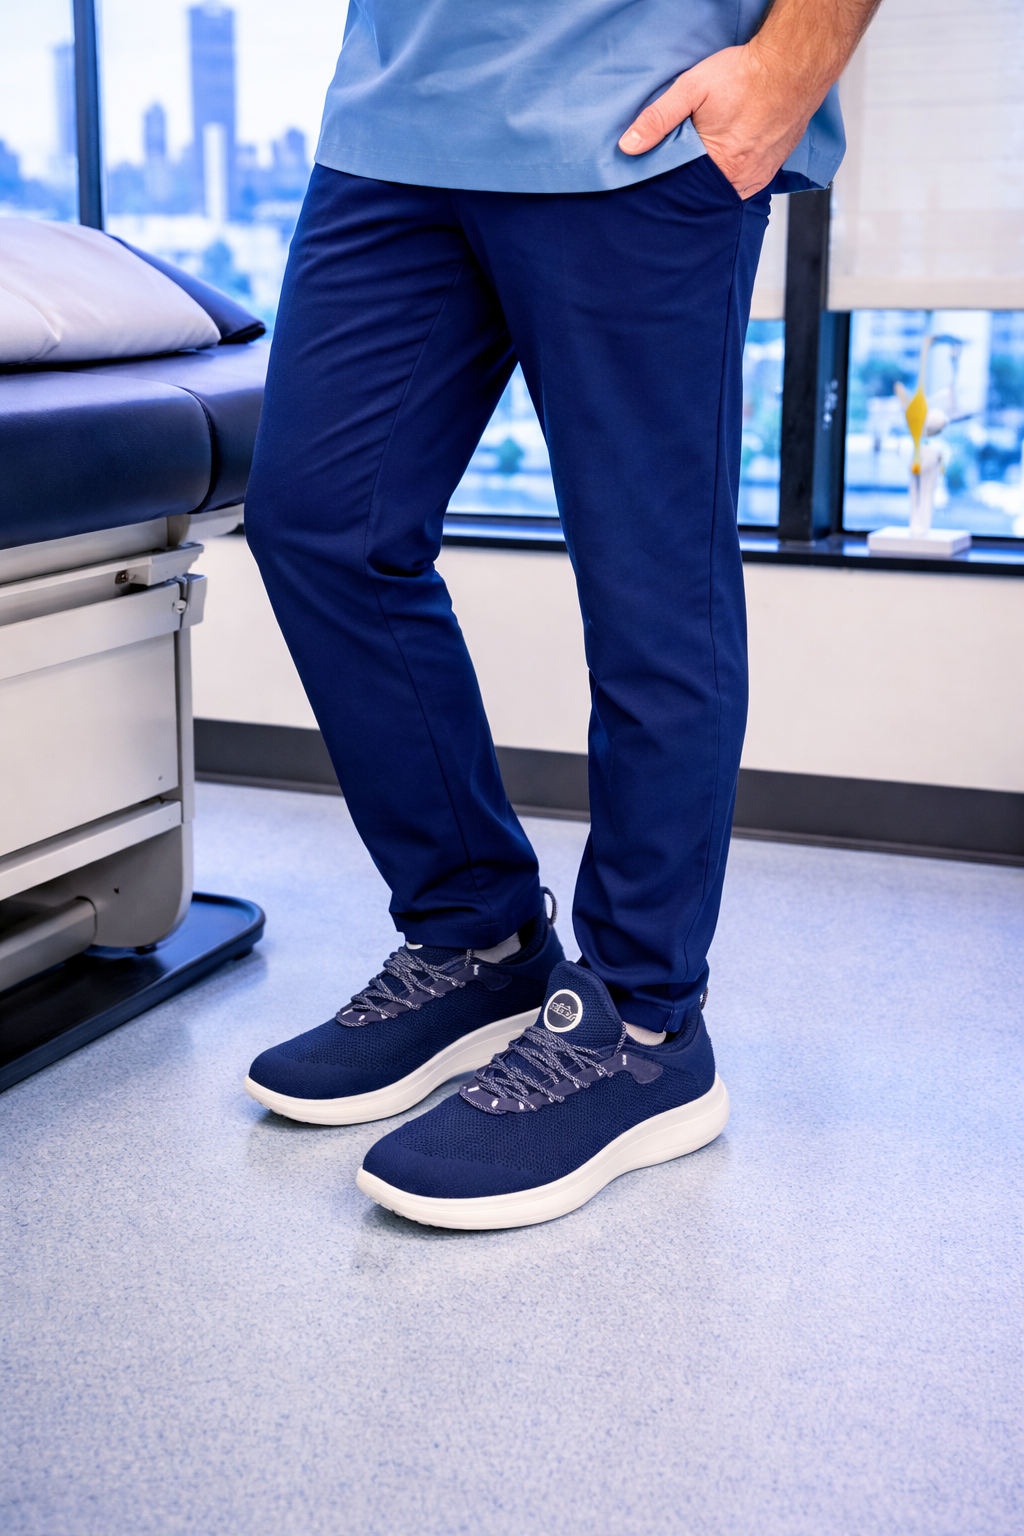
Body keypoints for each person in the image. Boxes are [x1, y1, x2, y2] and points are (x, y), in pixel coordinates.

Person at [243, 0, 880, 1229]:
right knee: (319, 524)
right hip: (397, 116)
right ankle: (478, 944)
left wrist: (789, 67)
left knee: (648, 588)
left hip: (638, 116)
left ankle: (643, 1029)